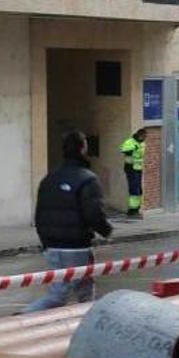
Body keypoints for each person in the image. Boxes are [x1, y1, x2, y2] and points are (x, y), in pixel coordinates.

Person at [25, 131, 113, 313]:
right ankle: (22, 318)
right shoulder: (87, 179)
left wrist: (46, 243)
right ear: (83, 149)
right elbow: (93, 213)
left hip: (52, 247)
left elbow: (39, 215)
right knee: (71, 294)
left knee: (74, 290)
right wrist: (106, 231)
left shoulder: (49, 179)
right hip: (76, 247)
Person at [120, 128, 147, 218]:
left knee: (139, 189)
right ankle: (132, 210)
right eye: (143, 136)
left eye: (145, 137)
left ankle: (136, 209)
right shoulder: (130, 142)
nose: (144, 138)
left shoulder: (142, 143)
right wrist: (132, 149)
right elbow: (122, 149)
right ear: (139, 135)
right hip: (131, 168)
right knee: (134, 189)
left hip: (138, 168)